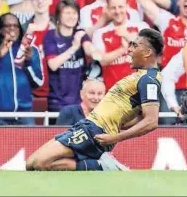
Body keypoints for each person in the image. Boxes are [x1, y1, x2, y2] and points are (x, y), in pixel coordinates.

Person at [26, 28, 163, 171]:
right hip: (87, 124)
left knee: (39, 164)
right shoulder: (140, 76)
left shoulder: (149, 80)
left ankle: (103, 166)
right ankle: (100, 164)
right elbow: (137, 116)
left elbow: (151, 121)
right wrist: (118, 124)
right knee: (30, 163)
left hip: (96, 131)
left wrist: (116, 137)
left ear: (147, 52)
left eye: (135, 46)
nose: (129, 50)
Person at [0, 13, 44, 126]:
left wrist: (27, 62)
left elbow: (38, 82)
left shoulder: (30, 49)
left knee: (28, 144)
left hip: (24, 115)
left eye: (15, 25)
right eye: (8, 26)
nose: (12, 29)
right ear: (0, 29)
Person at [44, 0, 98, 112]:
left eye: (74, 13)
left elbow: (91, 51)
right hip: (57, 102)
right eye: (67, 13)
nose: (71, 16)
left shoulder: (81, 34)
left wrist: (93, 52)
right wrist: (74, 47)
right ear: (58, 16)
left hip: (79, 102)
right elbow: (53, 65)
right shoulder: (50, 36)